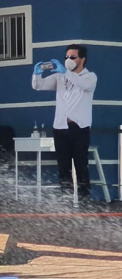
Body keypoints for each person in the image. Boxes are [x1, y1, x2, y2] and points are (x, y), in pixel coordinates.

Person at [32, 44, 97, 201]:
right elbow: (38, 86)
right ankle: (66, 201)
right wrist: (37, 74)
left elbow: (82, 84)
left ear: (82, 59)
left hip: (79, 128)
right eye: (66, 57)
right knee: (63, 167)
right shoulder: (60, 77)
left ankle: (84, 201)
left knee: (81, 165)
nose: (68, 60)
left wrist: (65, 71)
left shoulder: (90, 77)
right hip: (60, 128)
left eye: (73, 57)